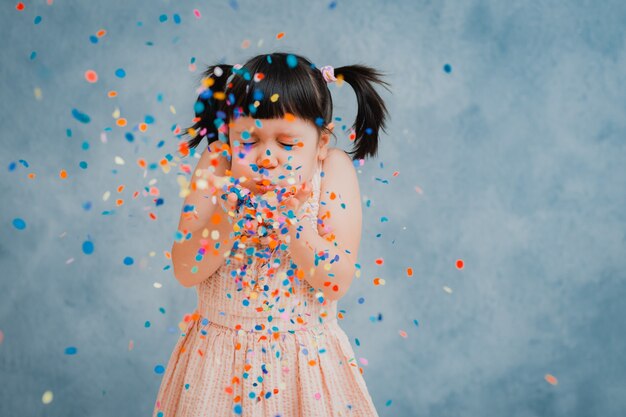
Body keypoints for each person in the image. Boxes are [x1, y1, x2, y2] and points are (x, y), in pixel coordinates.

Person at [153, 52, 391, 417]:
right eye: (248, 141)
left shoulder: (332, 171)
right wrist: (227, 219)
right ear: (229, 136)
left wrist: (296, 224)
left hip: (304, 366)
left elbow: (336, 281)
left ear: (321, 143)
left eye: (287, 144)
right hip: (217, 364)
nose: (267, 158)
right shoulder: (217, 165)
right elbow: (186, 270)